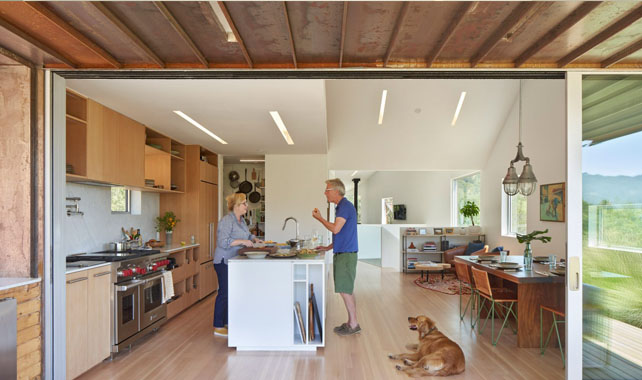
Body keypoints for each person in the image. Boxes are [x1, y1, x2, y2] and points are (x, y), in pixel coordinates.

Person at [313, 178, 360, 336]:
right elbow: (342, 234)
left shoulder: (344, 207)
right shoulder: (342, 207)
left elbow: (335, 229)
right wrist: (327, 248)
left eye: (327, 190)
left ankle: (353, 324)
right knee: (346, 289)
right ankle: (351, 322)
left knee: (345, 290)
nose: (325, 193)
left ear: (335, 191)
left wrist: (319, 218)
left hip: (346, 255)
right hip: (344, 253)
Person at [212, 193, 263, 337]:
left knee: (232, 292)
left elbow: (247, 235)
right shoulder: (227, 221)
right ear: (236, 206)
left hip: (234, 261)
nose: (247, 206)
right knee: (225, 292)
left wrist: (254, 239)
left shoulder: (242, 221)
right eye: (244, 204)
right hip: (223, 261)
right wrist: (242, 242)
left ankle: (228, 322)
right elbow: (223, 242)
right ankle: (218, 326)